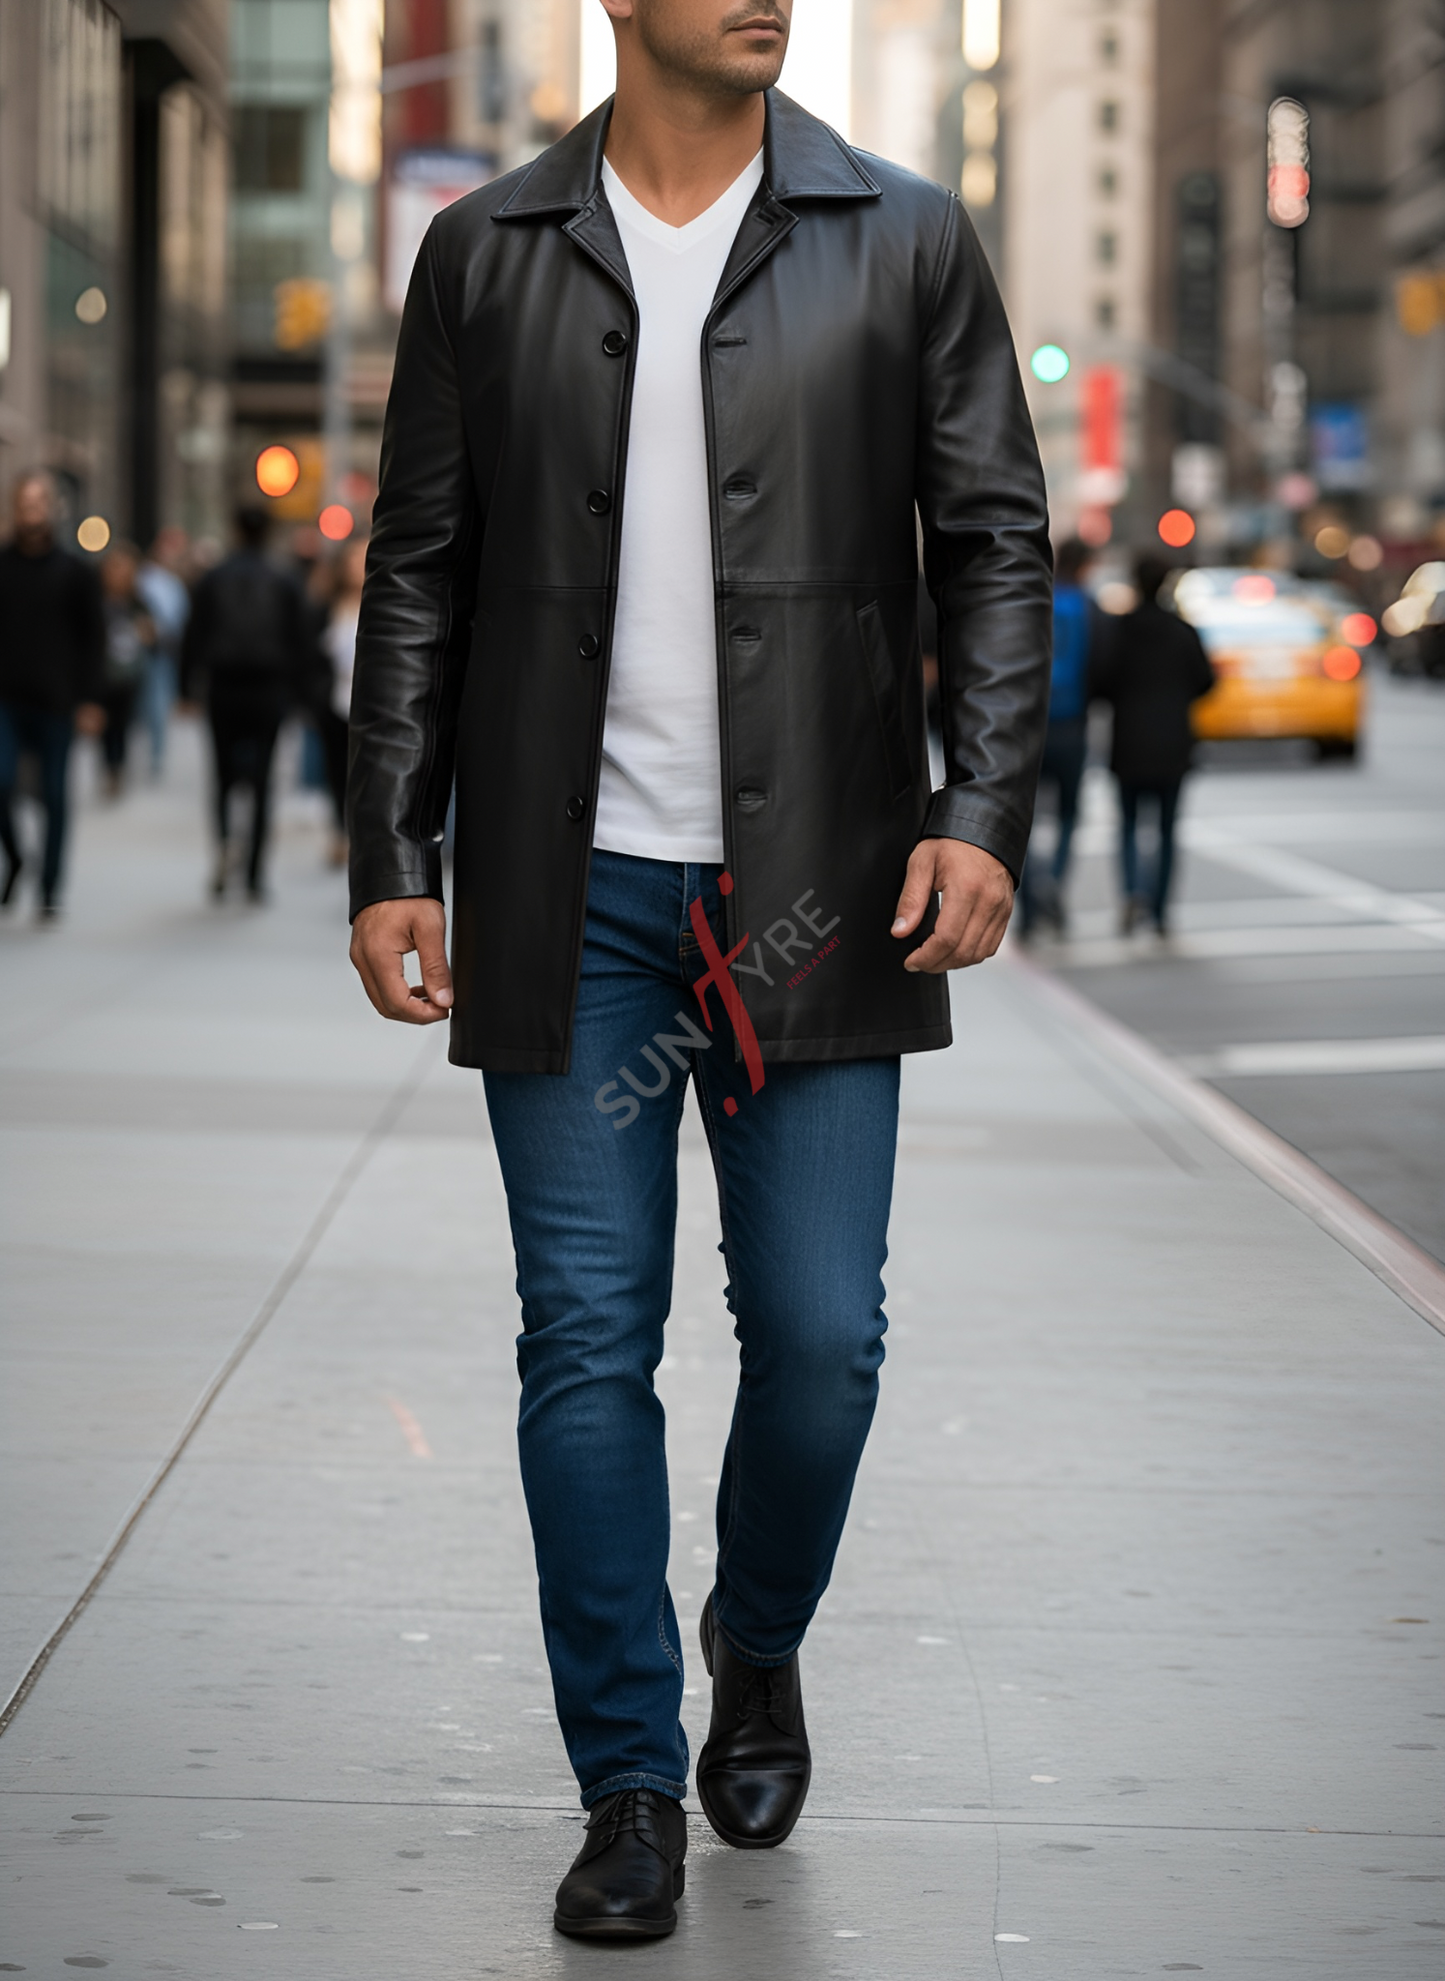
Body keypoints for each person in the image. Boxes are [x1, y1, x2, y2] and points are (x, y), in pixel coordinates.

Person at [347, 0, 1051, 1942]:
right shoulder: (487, 245)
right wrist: (391, 852)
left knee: (818, 1345)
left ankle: (755, 1637)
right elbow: (418, 561)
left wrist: (977, 810)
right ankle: (627, 1782)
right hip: (567, 897)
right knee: (585, 1337)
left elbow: (994, 542)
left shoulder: (898, 233)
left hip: (812, 890)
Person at [181, 507, 306, 903]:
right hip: (269, 688)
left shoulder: (214, 577)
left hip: (224, 686)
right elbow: (299, 637)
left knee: (221, 774)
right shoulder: (285, 578)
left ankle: (223, 846)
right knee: (264, 779)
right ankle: (254, 873)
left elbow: (193, 633)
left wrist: (186, 689)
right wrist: (299, 694)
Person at [1092, 551, 1216, 935]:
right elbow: (1207, 681)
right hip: (1173, 745)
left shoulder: (1119, 630)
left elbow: (1100, 682)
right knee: (1166, 830)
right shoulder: (1182, 631)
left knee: (1128, 825)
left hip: (1129, 743)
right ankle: (1160, 911)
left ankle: (1133, 893)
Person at [0, 471, 106, 918]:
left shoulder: (75, 571)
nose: (32, 511)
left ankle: (49, 887)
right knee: (1, 782)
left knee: (54, 793)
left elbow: (93, 638)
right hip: (5, 697)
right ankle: (17, 857)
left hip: (58, 699)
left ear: (52, 509)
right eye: (25, 503)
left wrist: (91, 699)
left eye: (40, 502)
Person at [1018, 536, 1097, 936]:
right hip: (1072, 723)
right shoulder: (1088, 606)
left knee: (1025, 819)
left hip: (1032, 723)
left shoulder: (1035, 602)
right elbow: (1100, 664)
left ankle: (1031, 895)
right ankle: (1054, 882)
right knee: (1067, 815)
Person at [317, 536, 365, 867]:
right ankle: (340, 830)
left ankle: (362, 835)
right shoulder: (327, 606)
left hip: (371, 704)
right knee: (337, 771)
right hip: (335, 701)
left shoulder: (385, 604)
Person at [96, 541, 156, 799]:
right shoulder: (97, 601)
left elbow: (153, 637)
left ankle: (118, 767)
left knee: (123, 724)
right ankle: (109, 767)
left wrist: (147, 633)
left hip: (129, 674)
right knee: (104, 726)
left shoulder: (138, 603)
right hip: (102, 673)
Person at [135, 526, 191, 779]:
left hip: (164, 651)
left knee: (158, 704)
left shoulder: (174, 583)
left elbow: (180, 620)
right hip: (141, 650)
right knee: (144, 703)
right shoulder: (145, 579)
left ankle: (154, 756)